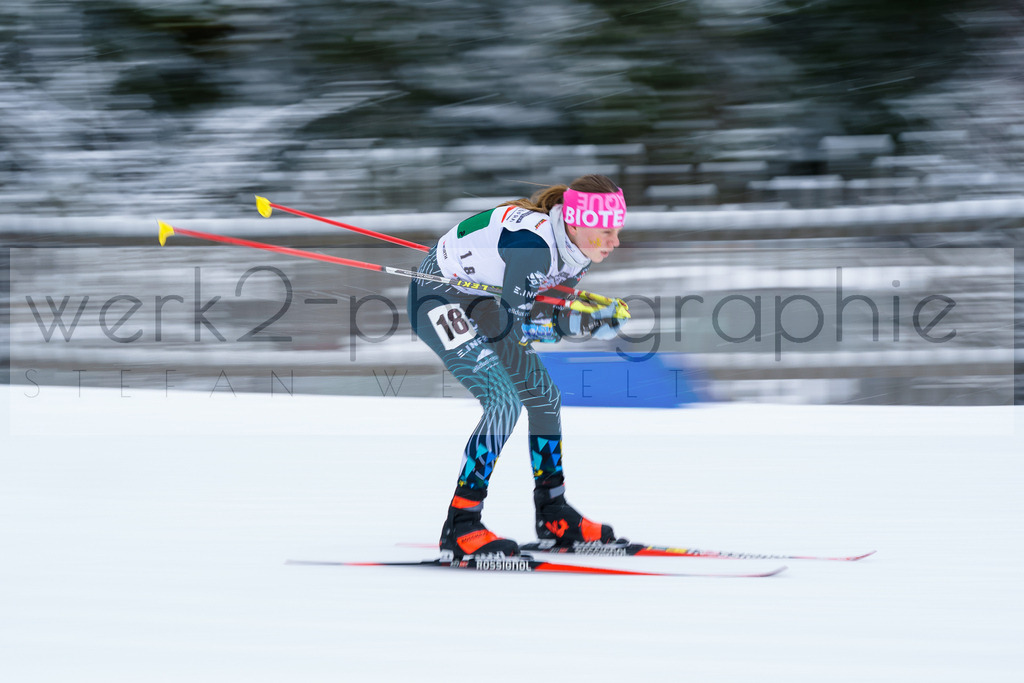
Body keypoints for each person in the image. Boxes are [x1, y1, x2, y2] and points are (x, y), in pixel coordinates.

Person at [407, 174, 628, 559]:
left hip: (484, 299)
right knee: (504, 399)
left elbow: (541, 307)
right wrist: (579, 323)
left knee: (543, 397)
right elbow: (522, 324)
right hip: (438, 295)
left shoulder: (576, 249)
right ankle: (461, 523)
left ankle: (553, 512)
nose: (615, 242)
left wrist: (584, 313)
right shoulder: (536, 245)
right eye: (607, 231)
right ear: (577, 222)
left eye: (618, 230)